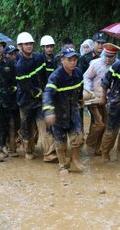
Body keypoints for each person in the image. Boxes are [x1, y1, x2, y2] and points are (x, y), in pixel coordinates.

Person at [15, 32, 57, 162]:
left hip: (40, 101)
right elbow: (27, 87)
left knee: (45, 126)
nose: (29, 46)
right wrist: (41, 93)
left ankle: (48, 153)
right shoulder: (19, 65)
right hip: (26, 101)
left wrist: (48, 90)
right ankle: (28, 150)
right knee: (26, 128)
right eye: (26, 44)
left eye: (31, 44)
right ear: (20, 46)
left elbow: (45, 76)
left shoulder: (39, 58)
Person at [43, 47, 84, 175]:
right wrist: (49, 111)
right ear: (62, 60)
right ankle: (63, 165)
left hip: (73, 111)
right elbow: (48, 94)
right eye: (70, 59)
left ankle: (75, 159)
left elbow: (80, 88)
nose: (73, 62)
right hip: (58, 113)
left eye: (75, 59)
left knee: (79, 137)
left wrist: (81, 99)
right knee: (60, 143)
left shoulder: (78, 73)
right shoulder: (55, 76)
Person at [84, 43, 120, 156]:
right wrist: (89, 92)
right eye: (107, 55)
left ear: (115, 56)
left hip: (110, 100)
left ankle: (99, 149)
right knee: (99, 123)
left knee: (106, 124)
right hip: (95, 98)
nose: (108, 59)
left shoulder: (119, 66)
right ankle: (90, 145)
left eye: (111, 56)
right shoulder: (95, 64)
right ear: (104, 54)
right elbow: (87, 77)